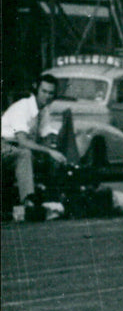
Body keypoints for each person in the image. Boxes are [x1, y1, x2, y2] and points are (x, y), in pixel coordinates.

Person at [1, 75, 67, 216]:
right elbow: (22, 141)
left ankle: (55, 199)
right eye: (44, 91)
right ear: (36, 89)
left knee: (46, 157)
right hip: (4, 143)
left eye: (51, 93)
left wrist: (55, 150)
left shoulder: (43, 110)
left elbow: (46, 136)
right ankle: (28, 202)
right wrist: (49, 151)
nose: (47, 96)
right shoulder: (23, 107)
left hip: (14, 147)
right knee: (24, 154)